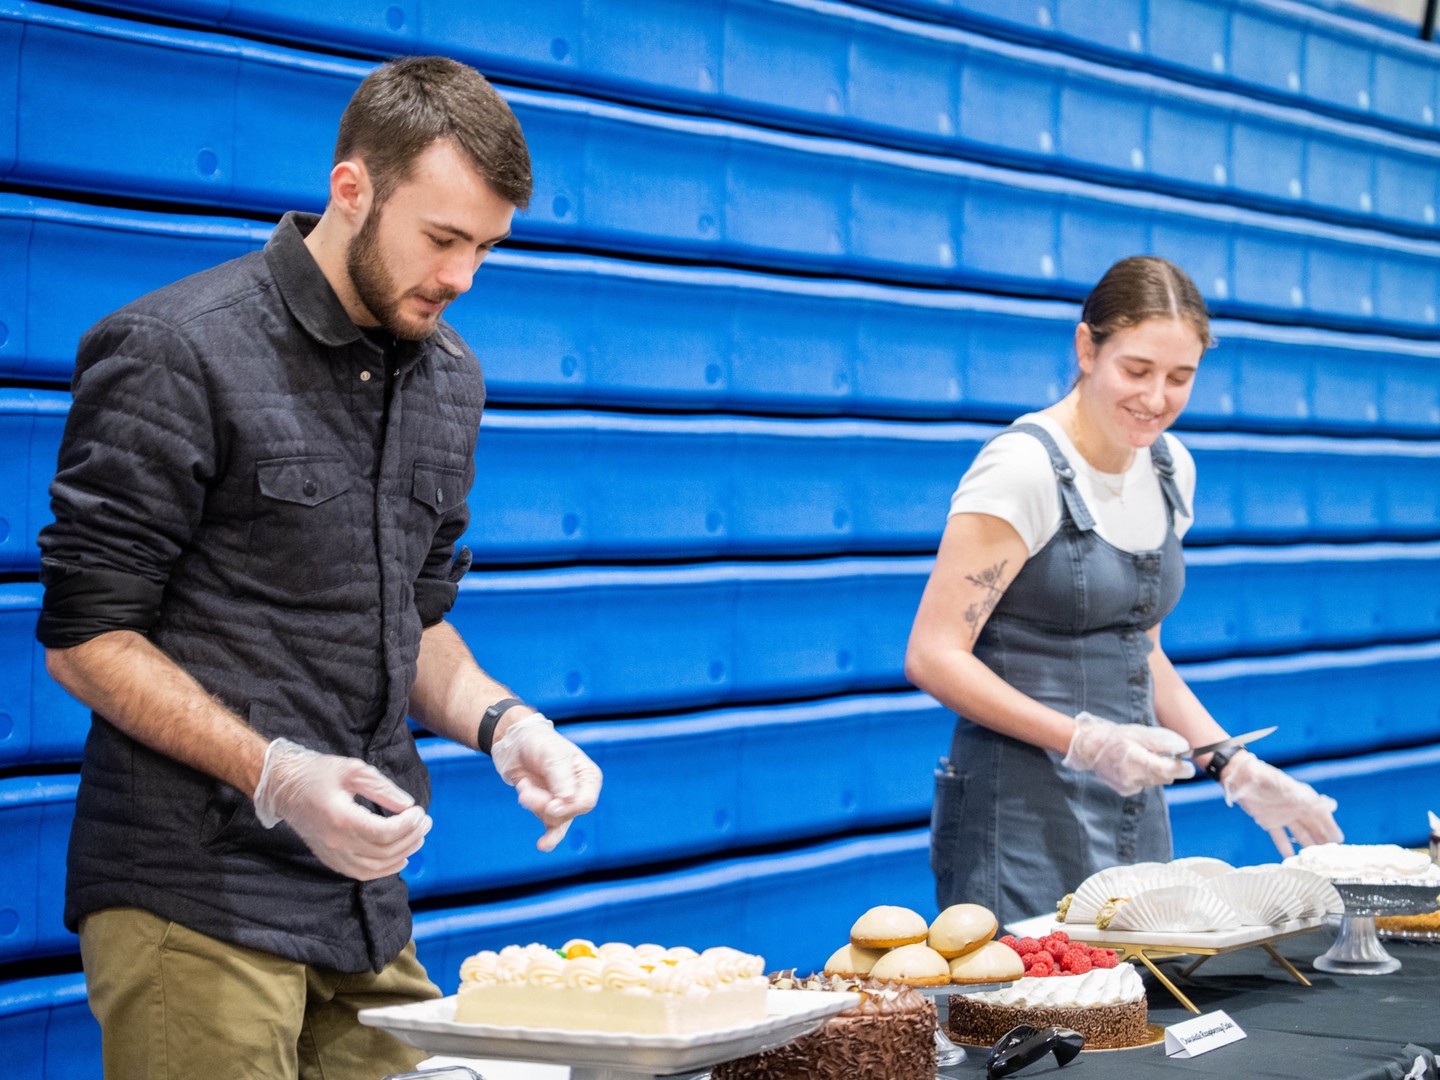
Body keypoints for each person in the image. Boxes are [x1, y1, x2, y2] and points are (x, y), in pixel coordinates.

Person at [36, 56, 602, 1078]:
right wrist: (277, 775)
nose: (462, 276)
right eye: (441, 238)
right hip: (196, 899)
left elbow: (416, 624)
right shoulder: (175, 348)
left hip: (364, 911)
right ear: (352, 189)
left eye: (485, 246)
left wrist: (507, 725)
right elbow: (85, 640)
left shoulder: (450, 379)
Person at [905, 255, 1341, 927]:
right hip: (1016, 813)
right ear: (1087, 348)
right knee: (1036, 1017)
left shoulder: (1171, 468)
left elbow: (1143, 652)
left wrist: (1229, 761)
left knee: (1135, 1007)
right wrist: (1083, 742)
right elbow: (934, 655)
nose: (1156, 398)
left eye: (1180, 377)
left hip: (1132, 805)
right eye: (1136, 371)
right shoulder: (1022, 468)